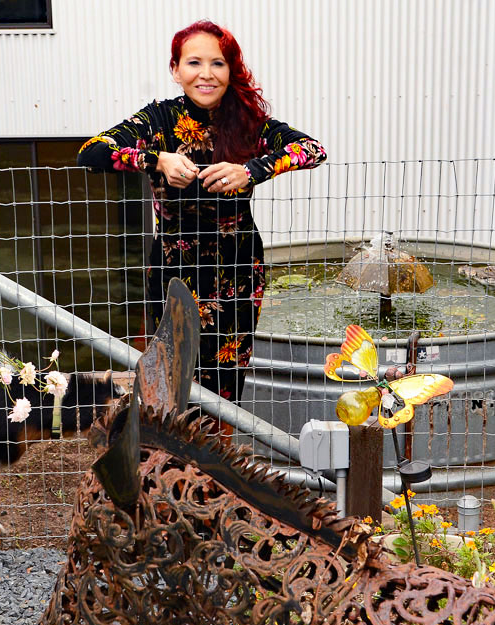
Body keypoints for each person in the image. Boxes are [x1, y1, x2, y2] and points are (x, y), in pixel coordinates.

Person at [78, 20, 327, 407]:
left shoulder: (249, 122)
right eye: (194, 63)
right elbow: (92, 152)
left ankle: (213, 461)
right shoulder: (159, 119)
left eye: (218, 64)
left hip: (239, 269)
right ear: (176, 69)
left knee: (227, 383)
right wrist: (155, 159)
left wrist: (251, 169)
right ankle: (170, 458)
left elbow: (312, 149)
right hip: (173, 268)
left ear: (230, 72)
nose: (206, 74)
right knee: (169, 377)